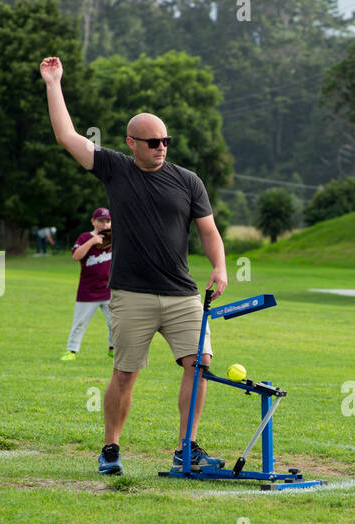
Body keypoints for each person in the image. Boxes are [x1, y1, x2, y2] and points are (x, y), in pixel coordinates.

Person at [39, 55, 228, 477]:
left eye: (165, 141)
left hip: (183, 295)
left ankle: (186, 447)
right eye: (152, 142)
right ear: (131, 143)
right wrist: (54, 83)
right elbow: (68, 136)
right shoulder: (115, 169)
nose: (161, 147)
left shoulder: (188, 181)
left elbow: (209, 232)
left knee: (200, 365)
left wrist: (220, 268)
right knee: (125, 374)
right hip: (130, 294)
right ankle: (110, 448)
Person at [61, 208, 114, 361]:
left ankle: (113, 348)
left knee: (114, 323)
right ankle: (71, 351)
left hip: (109, 290)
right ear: (93, 221)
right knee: (79, 323)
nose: (104, 224)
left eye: (107, 221)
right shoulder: (85, 237)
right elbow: (76, 256)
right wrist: (92, 241)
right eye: (101, 221)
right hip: (88, 290)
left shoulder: (114, 238)